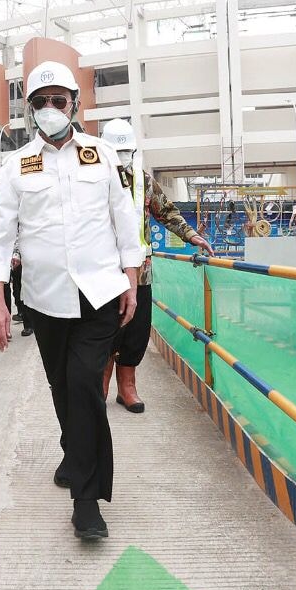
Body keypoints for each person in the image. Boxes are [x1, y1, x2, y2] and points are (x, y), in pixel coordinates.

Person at [0, 60, 144, 541]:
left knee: (83, 383)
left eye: (59, 100)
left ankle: (87, 501)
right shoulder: (17, 165)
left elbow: (123, 217)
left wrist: (131, 278)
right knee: (62, 387)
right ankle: (75, 451)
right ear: (30, 111)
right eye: (41, 102)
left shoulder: (101, 155)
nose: (51, 109)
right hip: (44, 298)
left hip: (99, 293)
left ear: (75, 102)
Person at [100, 119, 214, 414]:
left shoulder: (143, 181)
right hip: (102, 272)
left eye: (127, 152)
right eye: (118, 152)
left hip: (140, 272)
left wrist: (191, 235)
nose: (123, 158)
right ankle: (98, 387)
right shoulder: (92, 180)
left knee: (136, 331)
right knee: (103, 331)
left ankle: (127, 388)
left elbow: (167, 212)